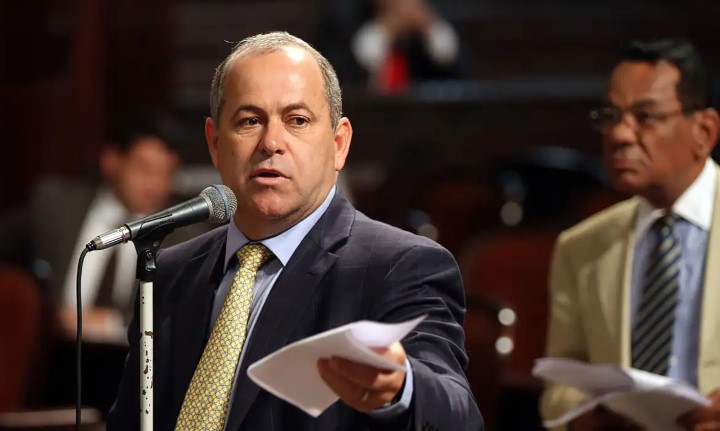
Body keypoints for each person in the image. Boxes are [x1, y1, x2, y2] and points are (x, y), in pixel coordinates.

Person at [107, 31, 482, 430]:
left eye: (297, 120)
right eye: (250, 121)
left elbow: (458, 416)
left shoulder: (400, 266)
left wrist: (401, 388)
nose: (271, 142)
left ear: (339, 144)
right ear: (215, 143)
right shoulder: (170, 272)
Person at [540, 39, 720, 431]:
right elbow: (559, 384)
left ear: (704, 130)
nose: (620, 134)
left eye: (645, 116)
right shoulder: (581, 247)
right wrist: (585, 416)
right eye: (611, 116)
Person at [318, 0, 465, 93]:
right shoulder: (343, 14)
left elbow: (453, 66)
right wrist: (385, 28)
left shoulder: (436, 10)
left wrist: (429, 25)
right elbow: (344, 79)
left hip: (427, 118)